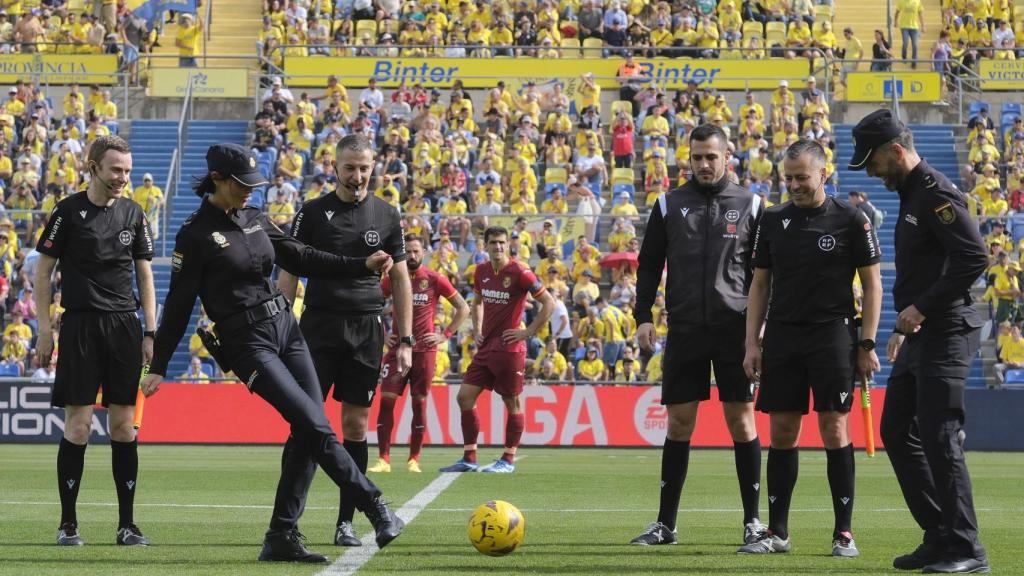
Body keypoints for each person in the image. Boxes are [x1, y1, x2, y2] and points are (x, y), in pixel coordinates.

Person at [142, 143, 403, 563]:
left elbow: (301, 256)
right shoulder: (194, 234)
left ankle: (281, 535)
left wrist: (361, 265)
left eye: (253, 183)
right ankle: (375, 507)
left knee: (310, 426)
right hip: (246, 343)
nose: (250, 191)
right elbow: (178, 304)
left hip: (287, 328)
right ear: (218, 181)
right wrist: (158, 365)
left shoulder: (254, 216)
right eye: (242, 184)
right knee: (311, 422)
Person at [849, 110, 990, 573]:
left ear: (896, 150)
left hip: (948, 328)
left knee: (940, 434)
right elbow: (923, 274)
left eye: (872, 161)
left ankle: (967, 549)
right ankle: (940, 534)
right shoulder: (911, 195)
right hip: (921, 334)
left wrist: (922, 309)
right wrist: (902, 327)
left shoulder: (935, 192)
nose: (869, 172)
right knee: (896, 430)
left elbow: (974, 257)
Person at [738, 140, 882, 557]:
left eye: (802, 177)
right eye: (789, 178)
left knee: (835, 428)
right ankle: (778, 533)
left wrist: (866, 343)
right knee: (782, 431)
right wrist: (751, 343)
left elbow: (872, 285)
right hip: (783, 336)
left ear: (824, 174)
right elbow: (760, 284)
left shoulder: (852, 220)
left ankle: (843, 533)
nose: (795, 185)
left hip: (833, 336)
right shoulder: (772, 218)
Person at [630, 122, 765, 547]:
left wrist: (759, 329)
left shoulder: (752, 205)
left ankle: (753, 522)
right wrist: (643, 316)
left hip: (734, 331)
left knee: (740, 422)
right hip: (685, 328)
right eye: (697, 157)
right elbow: (649, 264)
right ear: (687, 159)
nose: (704, 164)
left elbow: (766, 274)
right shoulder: (668, 204)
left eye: (712, 156)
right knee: (679, 424)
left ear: (728, 157)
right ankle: (665, 525)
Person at [276, 133, 411, 548]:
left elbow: (401, 279)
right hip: (317, 329)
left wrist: (405, 339)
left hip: (366, 330)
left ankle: (345, 523)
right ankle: (286, 526)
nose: (357, 175)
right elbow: (289, 274)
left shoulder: (387, 215)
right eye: (349, 167)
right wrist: (280, 328)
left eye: (364, 168)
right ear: (335, 168)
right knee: (305, 424)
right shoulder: (312, 214)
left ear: (374, 168)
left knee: (355, 426)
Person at [32, 136, 155, 548]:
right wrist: (46, 330)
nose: (123, 178)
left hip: (124, 326)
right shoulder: (67, 212)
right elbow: (43, 272)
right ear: (93, 167)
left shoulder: (134, 213)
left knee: (124, 428)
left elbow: (145, 276)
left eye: (127, 170)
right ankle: (68, 523)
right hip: (80, 326)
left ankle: (128, 524)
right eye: (115, 169)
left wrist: (150, 330)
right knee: (79, 427)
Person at [439, 226, 555, 473]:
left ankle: (508, 460)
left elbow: (549, 303)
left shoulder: (521, 272)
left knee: (511, 401)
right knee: (464, 397)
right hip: (486, 346)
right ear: (486, 245)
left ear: (508, 245)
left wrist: (528, 332)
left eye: (502, 243)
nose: (498, 247)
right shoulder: (481, 271)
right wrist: (478, 328)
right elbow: (477, 301)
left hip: (510, 348)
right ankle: (470, 458)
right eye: (493, 243)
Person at [369, 234, 469, 474]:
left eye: (416, 251)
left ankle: (414, 459)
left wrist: (445, 335)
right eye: (408, 252)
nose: (412, 256)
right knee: (386, 402)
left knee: (419, 404)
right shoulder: (393, 277)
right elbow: (370, 304)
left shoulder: (434, 279)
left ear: (423, 252)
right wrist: (382, 334)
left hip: (425, 351)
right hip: (396, 350)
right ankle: (384, 459)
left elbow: (463, 308)